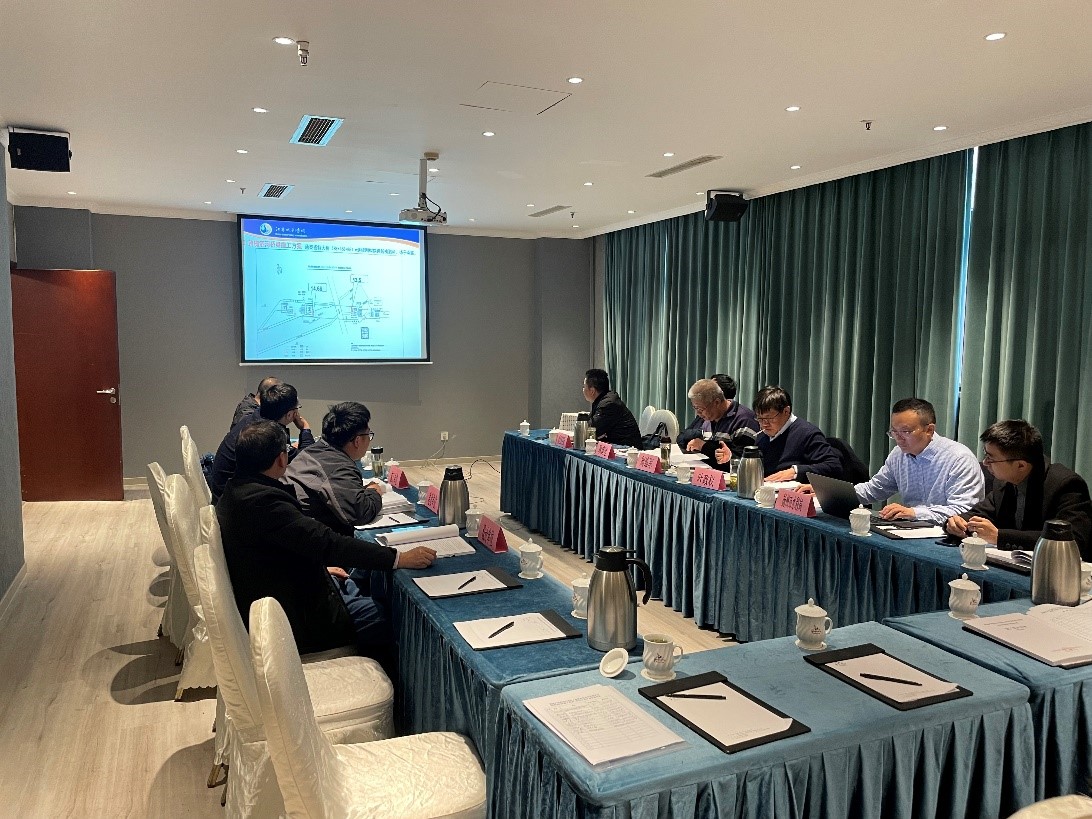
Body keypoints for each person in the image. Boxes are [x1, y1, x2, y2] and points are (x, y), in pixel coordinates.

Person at [216, 421, 435, 662]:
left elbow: (281, 547)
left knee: (359, 577)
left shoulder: (235, 490)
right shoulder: (264, 502)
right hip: (295, 619)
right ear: (281, 459)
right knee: (386, 616)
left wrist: (320, 566)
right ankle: (376, 677)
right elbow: (328, 543)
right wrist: (399, 558)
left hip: (277, 589)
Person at [946, 420, 1091, 557]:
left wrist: (1000, 536)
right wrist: (956, 522)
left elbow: (1073, 540)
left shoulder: (1066, 485)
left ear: (1021, 465)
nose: (985, 463)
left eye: (991, 458)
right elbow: (978, 514)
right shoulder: (1003, 482)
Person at [854, 397, 983, 523]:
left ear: (929, 430)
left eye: (905, 432)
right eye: (894, 432)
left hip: (946, 534)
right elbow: (875, 489)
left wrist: (914, 513)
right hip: (911, 529)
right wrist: (844, 492)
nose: (899, 439)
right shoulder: (898, 454)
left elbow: (963, 511)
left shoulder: (959, 459)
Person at [209, 382, 314, 503]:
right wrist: (305, 429)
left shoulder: (254, 418)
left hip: (226, 495)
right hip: (237, 502)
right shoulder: (268, 434)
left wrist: (290, 449)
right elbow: (305, 460)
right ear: (290, 414)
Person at [719, 386, 840, 482]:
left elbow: (833, 466)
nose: (764, 424)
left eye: (769, 418)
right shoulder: (762, 435)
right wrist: (733, 458)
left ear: (786, 411)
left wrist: (795, 471)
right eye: (760, 418)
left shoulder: (807, 433)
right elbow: (759, 467)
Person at [677, 376, 759, 466]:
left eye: (700, 409)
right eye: (695, 408)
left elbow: (741, 462)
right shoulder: (709, 417)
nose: (698, 413)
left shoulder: (744, 420)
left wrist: (703, 446)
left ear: (716, 402)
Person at [583, 368, 642, 447]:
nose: (583, 390)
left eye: (584, 387)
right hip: (617, 445)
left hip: (626, 448)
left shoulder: (608, 404)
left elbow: (591, 430)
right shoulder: (603, 400)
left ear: (592, 391)